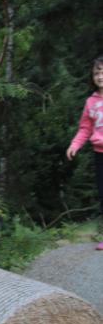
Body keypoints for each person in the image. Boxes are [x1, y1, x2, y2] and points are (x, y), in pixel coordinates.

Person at [65, 55, 103, 250]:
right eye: (97, 72)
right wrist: (75, 145)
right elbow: (85, 129)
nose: (100, 76)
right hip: (100, 155)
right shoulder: (91, 102)